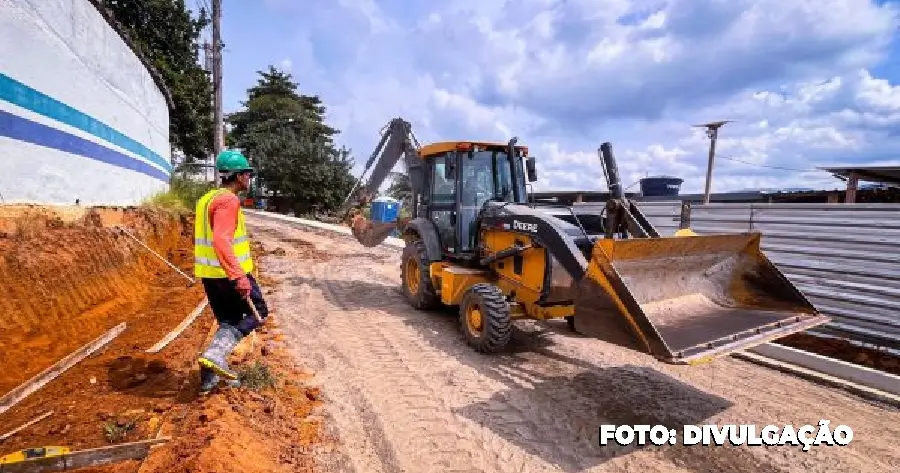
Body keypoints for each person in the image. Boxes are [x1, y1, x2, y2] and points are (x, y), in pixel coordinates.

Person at [194, 149, 269, 395]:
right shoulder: (228, 201)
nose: (249, 177)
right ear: (238, 176)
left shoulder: (206, 199)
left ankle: (208, 378)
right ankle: (215, 355)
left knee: (227, 321)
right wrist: (238, 276)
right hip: (229, 274)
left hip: (210, 274)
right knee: (257, 314)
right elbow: (221, 240)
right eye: (246, 173)